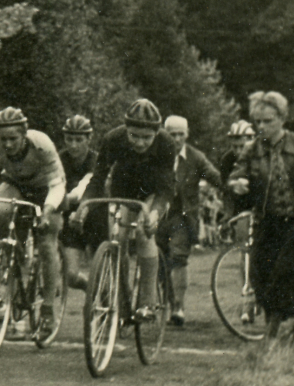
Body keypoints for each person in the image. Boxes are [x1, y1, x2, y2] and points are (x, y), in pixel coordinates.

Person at [228, 91, 294, 338]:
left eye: (268, 121)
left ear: (282, 118)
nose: (262, 126)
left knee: (285, 275)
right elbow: (234, 175)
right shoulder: (252, 149)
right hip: (267, 221)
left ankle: (273, 333)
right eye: (258, 122)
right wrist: (237, 183)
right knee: (260, 277)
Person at [74, 99, 175, 321]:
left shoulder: (167, 143)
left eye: (146, 137)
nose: (139, 142)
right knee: (117, 238)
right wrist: (83, 205)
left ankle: (147, 302)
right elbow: (98, 178)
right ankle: (122, 297)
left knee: (143, 232)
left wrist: (155, 214)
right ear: (126, 130)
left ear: (156, 133)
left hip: (154, 192)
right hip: (124, 188)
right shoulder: (113, 139)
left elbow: (167, 190)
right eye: (134, 136)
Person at [0, 107, 64, 328]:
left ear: (24, 134)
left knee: (48, 242)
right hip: (15, 184)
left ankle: (48, 308)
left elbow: (57, 185)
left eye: (13, 139)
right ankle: (16, 252)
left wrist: (48, 211)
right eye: (3, 139)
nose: (8, 144)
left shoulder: (41, 144)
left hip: (46, 190)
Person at [157, 115, 221, 326]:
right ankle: (167, 303)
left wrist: (233, 184)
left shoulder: (196, 158)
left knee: (178, 257)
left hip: (182, 217)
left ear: (187, 134)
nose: (176, 139)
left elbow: (216, 177)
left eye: (180, 134)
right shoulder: (154, 153)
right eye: (172, 134)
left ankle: (178, 307)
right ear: (164, 133)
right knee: (160, 262)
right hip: (157, 214)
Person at [58, 115, 98, 291]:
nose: (73, 145)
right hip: (71, 219)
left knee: (103, 269)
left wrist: (67, 199)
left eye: (79, 140)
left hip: (96, 217)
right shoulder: (59, 159)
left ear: (89, 139)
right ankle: (90, 288)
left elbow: (84, 187)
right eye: (69, 139)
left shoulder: (96, 160)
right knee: (71, 276)